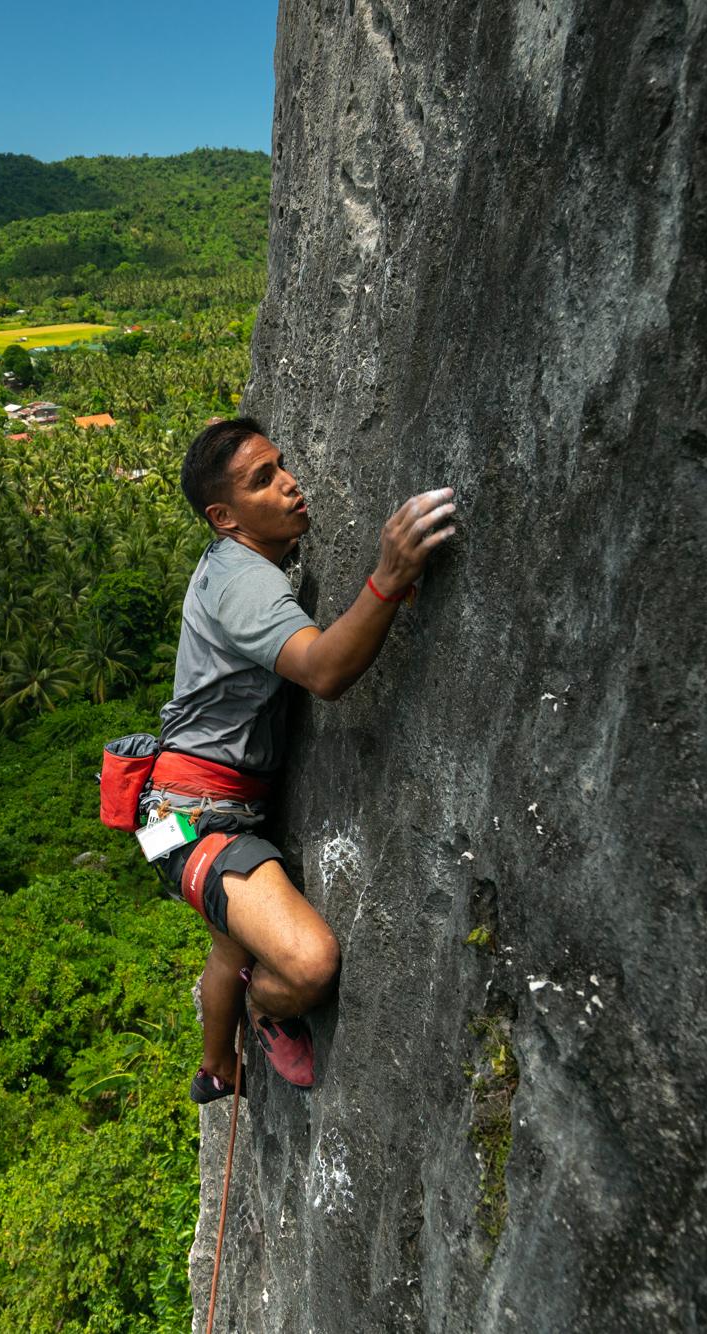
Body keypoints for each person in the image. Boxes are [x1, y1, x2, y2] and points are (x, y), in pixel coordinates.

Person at [145, 417, 458, 1100]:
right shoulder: (242, 584)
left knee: (234, 937)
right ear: (224, 519)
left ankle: (215, 1067)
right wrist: (390, 576)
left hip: (189, 812)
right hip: (194, 820)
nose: (290, 484)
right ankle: (262, 1009)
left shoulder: (237, 564)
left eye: (281, 466)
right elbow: (323, 670)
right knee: (307, 964)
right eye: (264, 480)